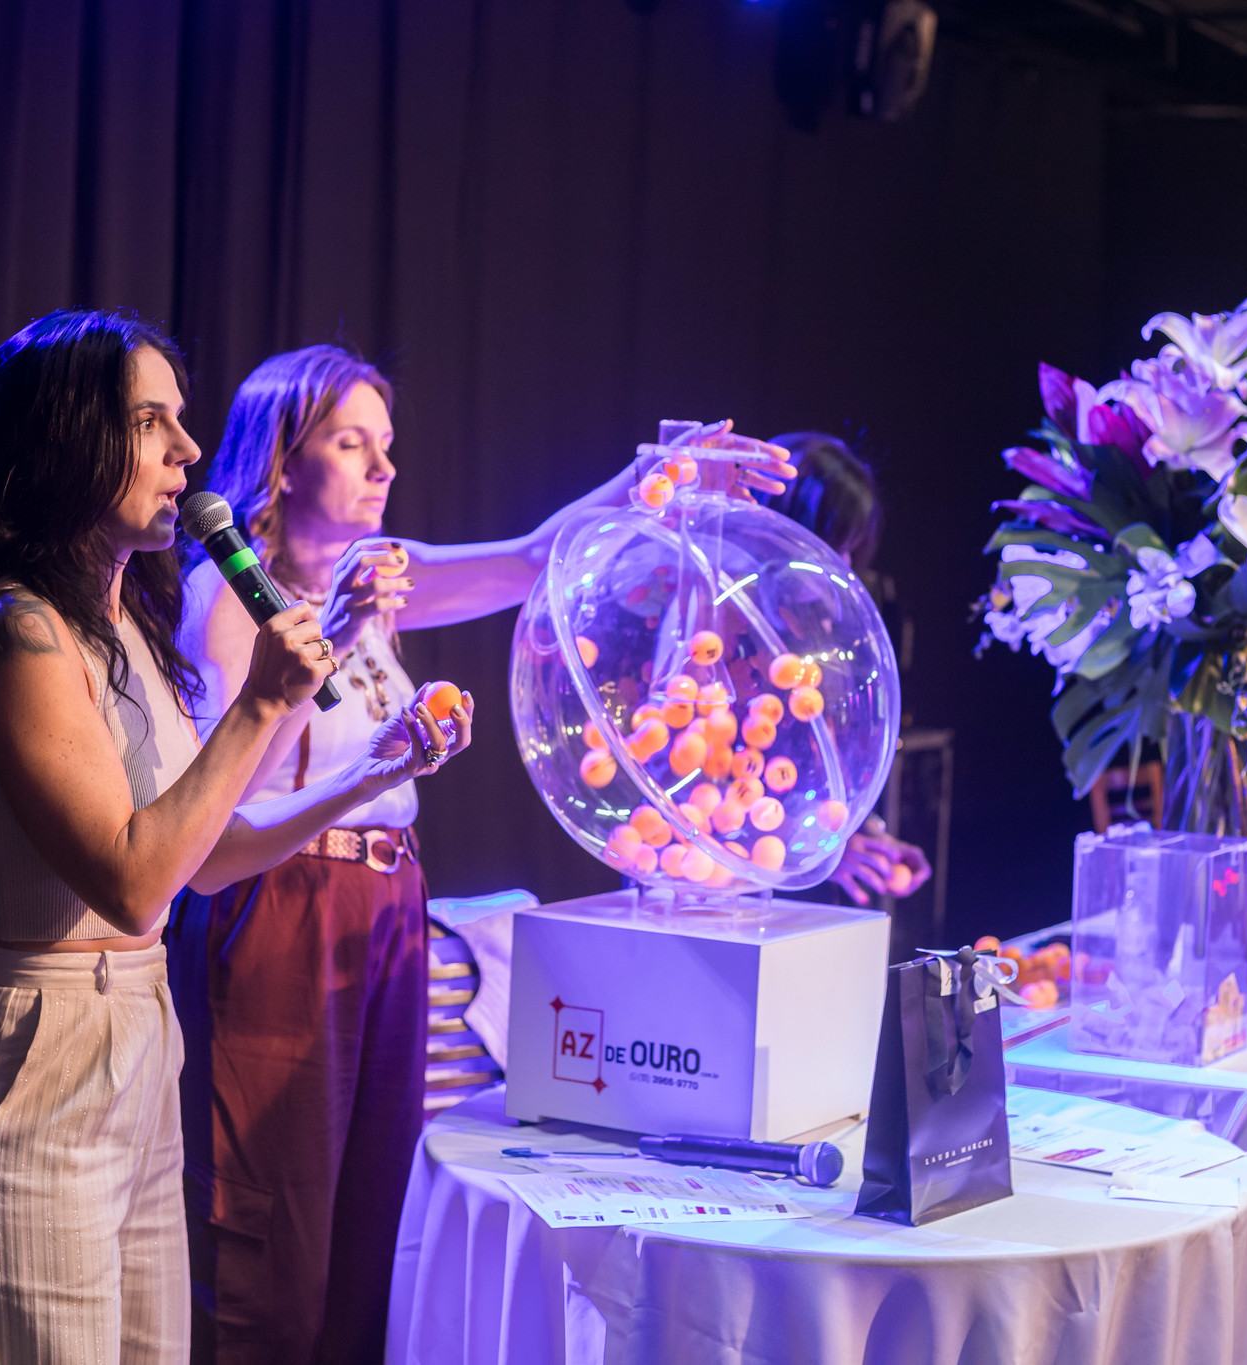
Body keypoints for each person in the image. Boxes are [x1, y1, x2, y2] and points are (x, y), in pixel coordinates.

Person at [170, 344, 793, 1363]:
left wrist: (651, 480)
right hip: (280, 900)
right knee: (273, 1220)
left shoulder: (372, 573)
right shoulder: (227, 595)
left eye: (386, 443)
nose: (383, 467)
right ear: (281, 460)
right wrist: (336, 636)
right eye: (351, 443)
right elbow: (223, 803)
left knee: (374, 1205)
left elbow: (533, 558)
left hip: (384, 901)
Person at [0, 311, 470, 1364]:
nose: (188, 451)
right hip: (35, 1059)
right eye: (149, 422)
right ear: (67, 440)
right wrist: (261, 703)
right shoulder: (11, 633)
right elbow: (133, 881)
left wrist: (380, 769)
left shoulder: (125, 631)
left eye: (180, 421)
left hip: (140, 1040)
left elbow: (209, 855)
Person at [762, 431, 933, 907]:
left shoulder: (817, 627)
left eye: (851, 549)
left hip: (794, 902)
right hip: (722, 897)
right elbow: (715, 785)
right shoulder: (726, 623)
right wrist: (822, 850)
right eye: (831, 543)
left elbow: (817, 769)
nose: (842, 566)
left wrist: (867, 833)